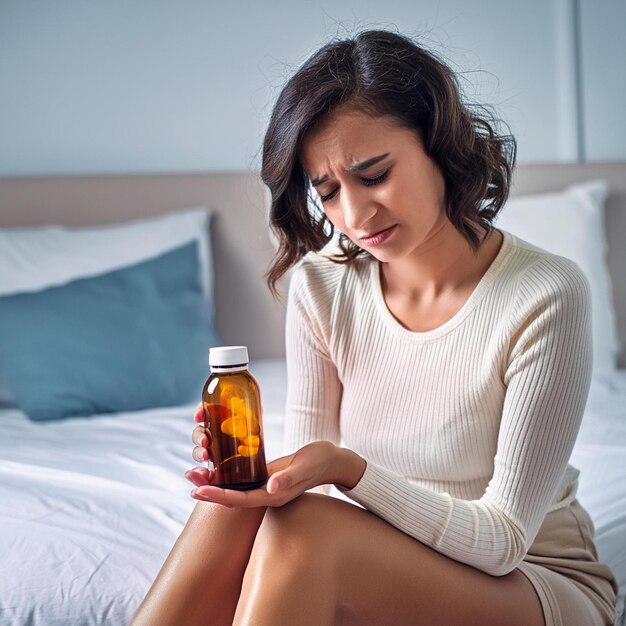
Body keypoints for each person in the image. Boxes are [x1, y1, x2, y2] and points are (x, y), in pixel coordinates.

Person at [131, 29, 618, 625]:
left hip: (529, 577)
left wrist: (347, 468)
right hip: (388, 555)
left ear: (440, 145)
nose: (355, 216)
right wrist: (254, 474)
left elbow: (502, 541)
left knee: (305, 530)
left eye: (375, 174)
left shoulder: (545, 293)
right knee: (236, 506)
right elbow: (305, 488)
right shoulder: (322, 285)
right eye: (329, 192)